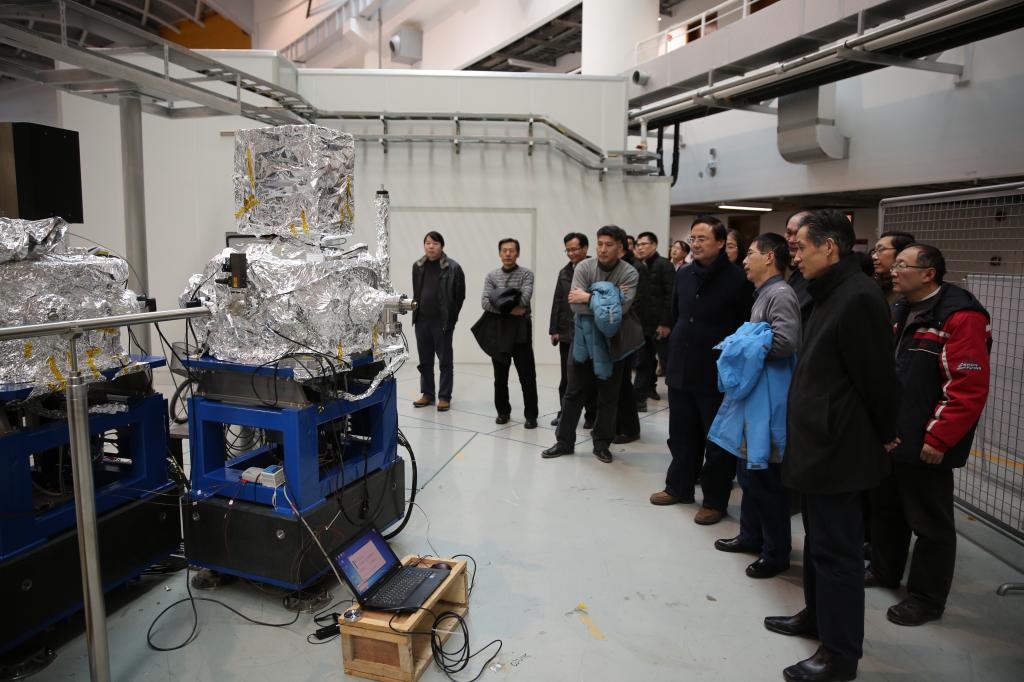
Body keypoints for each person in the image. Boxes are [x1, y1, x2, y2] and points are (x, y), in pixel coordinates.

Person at [764, 209, 900, 682]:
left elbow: (878, 378)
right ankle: (816, 616)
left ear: (830, 247)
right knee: (818, 543)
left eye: (800, 247)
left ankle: (839, 655)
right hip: (816, 441)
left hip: (839, 448)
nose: (795, 256)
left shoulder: (858, 297)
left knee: (838, 554)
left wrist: (886, 431)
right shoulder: (825, 291)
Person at [868, 244, 991, 626]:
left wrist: (939, 439)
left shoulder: (960, 316)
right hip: (895, 434)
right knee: (888, 509)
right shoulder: (902, 308)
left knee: (930, 523)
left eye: (902, 265)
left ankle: (926, 598)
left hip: (927, 440)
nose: (893, 270)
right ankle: (884, 570)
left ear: (928, 274)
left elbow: (967, 387)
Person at [649, 215, 753, 526]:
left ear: (720, 243)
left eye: (702, 238)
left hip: (716, 372)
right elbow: (677, 313)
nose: (695, 244)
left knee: (717, 441)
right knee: (681, 434)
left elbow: (744, 326)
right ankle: (678, 487)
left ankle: (714, 501)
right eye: (692, 238)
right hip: (681, 367)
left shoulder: (737, 279)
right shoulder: (684, 274)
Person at [712, 233, 800, 579]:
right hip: (755, 395)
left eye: (750, 253)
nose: (745, 260)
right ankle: (751, 536)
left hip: (770, 400)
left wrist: (741, 343)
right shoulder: (763, 293)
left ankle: (775, 553)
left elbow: (785, 342)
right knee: (749, 472)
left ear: (770, 257)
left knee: (766, 479)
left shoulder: (781, 294)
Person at [542, 225, 643, 464]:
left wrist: (588, 296)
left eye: (609, 245)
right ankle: (564, 442)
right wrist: (610, 298)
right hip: (583, 341)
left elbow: (619, 312)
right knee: (573, 393)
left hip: (614, 343)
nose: (603, 249)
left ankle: (602, 444)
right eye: (600, 244)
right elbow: (575, 305)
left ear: (621, 248)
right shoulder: (584, 267)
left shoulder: (629, 273)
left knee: (608, 397)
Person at [475, 238, 538, 428]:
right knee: (500, 377)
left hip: (521, 330)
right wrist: (510, 307)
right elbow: (485, 302)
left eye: (511, 250)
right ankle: (503, 412)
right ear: (500, 253)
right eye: (504, 250)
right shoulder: (492, 276)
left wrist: (499, 296)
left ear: (517, 253)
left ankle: (531, 415)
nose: (508, 254)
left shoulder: (526, 274)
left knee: (527, 376)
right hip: (500, 329)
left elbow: (524, 299)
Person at [411, 231, 465, 411]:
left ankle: (444, 397)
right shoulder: (417, 266)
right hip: (421, 320)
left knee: (445, 361)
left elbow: (460, 296)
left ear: (442, 246)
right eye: (427, 243)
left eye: (435, 243)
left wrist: (451, 319)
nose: (431, 247)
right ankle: (427, 394)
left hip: (441, 322)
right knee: (425, 361)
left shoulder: (453, 268)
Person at [549, 232, 595, 428]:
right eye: (568, 250)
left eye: (574, 249)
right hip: (567, 332)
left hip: (589, 332)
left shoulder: (595, 269)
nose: (571, 253)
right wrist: (554, 329)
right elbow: (558, 300)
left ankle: (591, 415)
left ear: (585, 248)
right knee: (566, 377)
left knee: (590, 376)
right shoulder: (564, 272)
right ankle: (564, 413)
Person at [633, 231, 675, 410]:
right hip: (643, 324)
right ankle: (639, 400)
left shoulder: (664, 265)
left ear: (654, 245)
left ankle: (676, 398)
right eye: (638, 245)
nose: (640, 248)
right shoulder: (639, 266)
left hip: (660, 325)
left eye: (644, 244)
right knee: (643, 362)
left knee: (668, 362)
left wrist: (666, 323)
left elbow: (671, 296)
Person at [784, 209, 814, 326]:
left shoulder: (815, 274)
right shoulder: (780, 264)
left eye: (797, 234)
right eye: (788, 233)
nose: (791, 240)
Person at [870, 230, 916, 306]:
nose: (874, 257)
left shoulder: (911, 290)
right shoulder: (873, 284)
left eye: (880, 250)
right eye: (874, 251)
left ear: (902, 252)